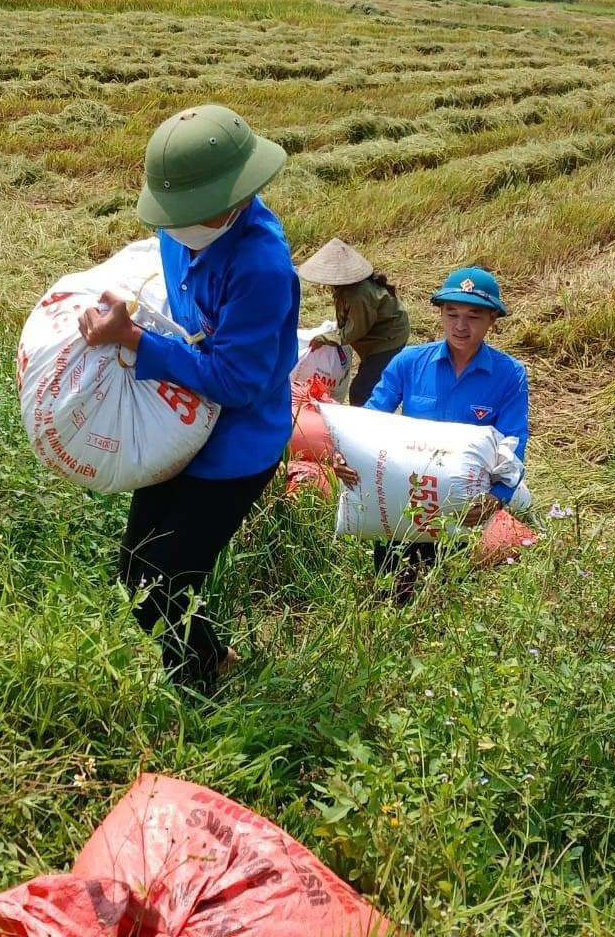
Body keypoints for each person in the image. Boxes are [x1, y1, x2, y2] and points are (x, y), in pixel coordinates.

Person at [78, 105, 299, 689]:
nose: (176, 229)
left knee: (167, 580)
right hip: (175, 425)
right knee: (136, 570)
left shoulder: (261, 265)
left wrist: (133, 339)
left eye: (191, 216)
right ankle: (207, 660)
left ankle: (206, 678)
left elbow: (236, 380)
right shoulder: (180, 225)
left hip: (233, 451)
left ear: (235, 197)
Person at [333, 265, 528, 603]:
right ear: (441, 313)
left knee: (449, 600)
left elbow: (514, 442)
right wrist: (345, 455)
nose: (461, 325)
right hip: (402, 498)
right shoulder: (409, 362)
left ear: (492, 319)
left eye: (474, 316)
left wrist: (496, 496)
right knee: (393, 593)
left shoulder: (509, 375)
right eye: (451, 313)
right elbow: (369, 420)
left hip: (463, 506)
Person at [296, 239, 410, 406]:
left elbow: (355, 331)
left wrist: (325, 338)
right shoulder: (344, 289)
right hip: (373, 338)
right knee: (370, 380)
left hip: (388, 340)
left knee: (361, 392)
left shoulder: (359, 295)